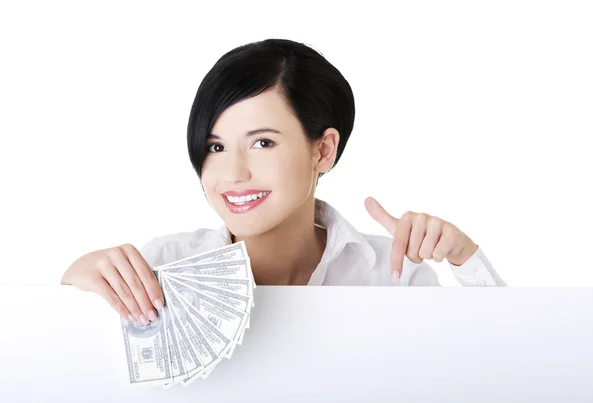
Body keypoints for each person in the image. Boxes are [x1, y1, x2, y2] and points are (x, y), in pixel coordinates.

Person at [61, 38, 507, 327]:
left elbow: (506, 366)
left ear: (323, 150)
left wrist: (463, 256)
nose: (233, 173)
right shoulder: (161, 268)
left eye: (262, 143)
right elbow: (58, 365)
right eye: (215, 148)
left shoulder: (391, 277)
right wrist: (75, 282)